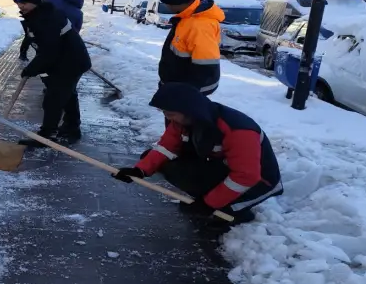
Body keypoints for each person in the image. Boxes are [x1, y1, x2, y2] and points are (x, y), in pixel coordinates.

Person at [113, 82, 283, 226]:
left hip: (258, 183)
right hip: (223, 168)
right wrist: (139, 171)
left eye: (170, 114)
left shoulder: (237, 129)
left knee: (221, 215)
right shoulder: (185, 121)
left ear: (188, 110)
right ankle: (210, 197)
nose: (168, 118)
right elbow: (166, 147)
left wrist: (209, 204)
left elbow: (246, 176)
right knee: (160, 162)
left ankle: (237, 211)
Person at [13, 0, 92, 145]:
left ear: (35, 2)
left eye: (24, 3)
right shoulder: (38, 15)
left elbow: (50, 50)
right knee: (67, 96)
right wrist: (38, 67)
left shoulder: (47, 18)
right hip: (64, 61)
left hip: (71, 62)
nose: (21, 6)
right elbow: (42, 46)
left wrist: (31, 69)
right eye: (18, 3)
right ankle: (71, 128)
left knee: (53, 99)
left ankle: (47, 135)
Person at [157, 0, 225, 96]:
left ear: (177, 2)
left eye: (168, 3)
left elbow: (206, 67)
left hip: (187, 91)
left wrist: (186, 94)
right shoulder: (186, 18)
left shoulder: (200, 25)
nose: (167, 6)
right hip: (177, 85)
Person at [20, 0, 84, 61]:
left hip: (38, 24)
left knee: (30, 37)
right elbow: (76, 29)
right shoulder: (79, 13)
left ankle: (23, 55)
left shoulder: (54, 0)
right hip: (57, 32)